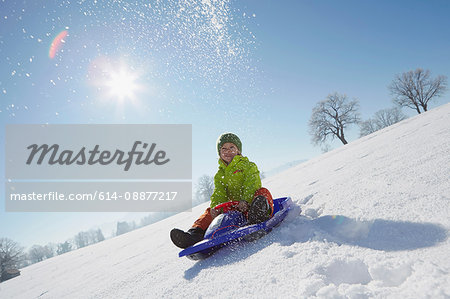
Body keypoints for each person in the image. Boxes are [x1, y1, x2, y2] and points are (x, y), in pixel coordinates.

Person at [170, 132, 274, 249]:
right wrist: (216, 207)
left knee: (262, 192)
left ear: (238, 150)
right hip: (234, 208)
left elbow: (252, 184)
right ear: (219, 153)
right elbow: (219, 193)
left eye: (231, 147)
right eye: (223, 149)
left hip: (250, 206)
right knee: (209, 211)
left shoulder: (248, 166)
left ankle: (258, 218)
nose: (227, 151)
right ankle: (193, 235)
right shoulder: (220, 175)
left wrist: (245, 200)